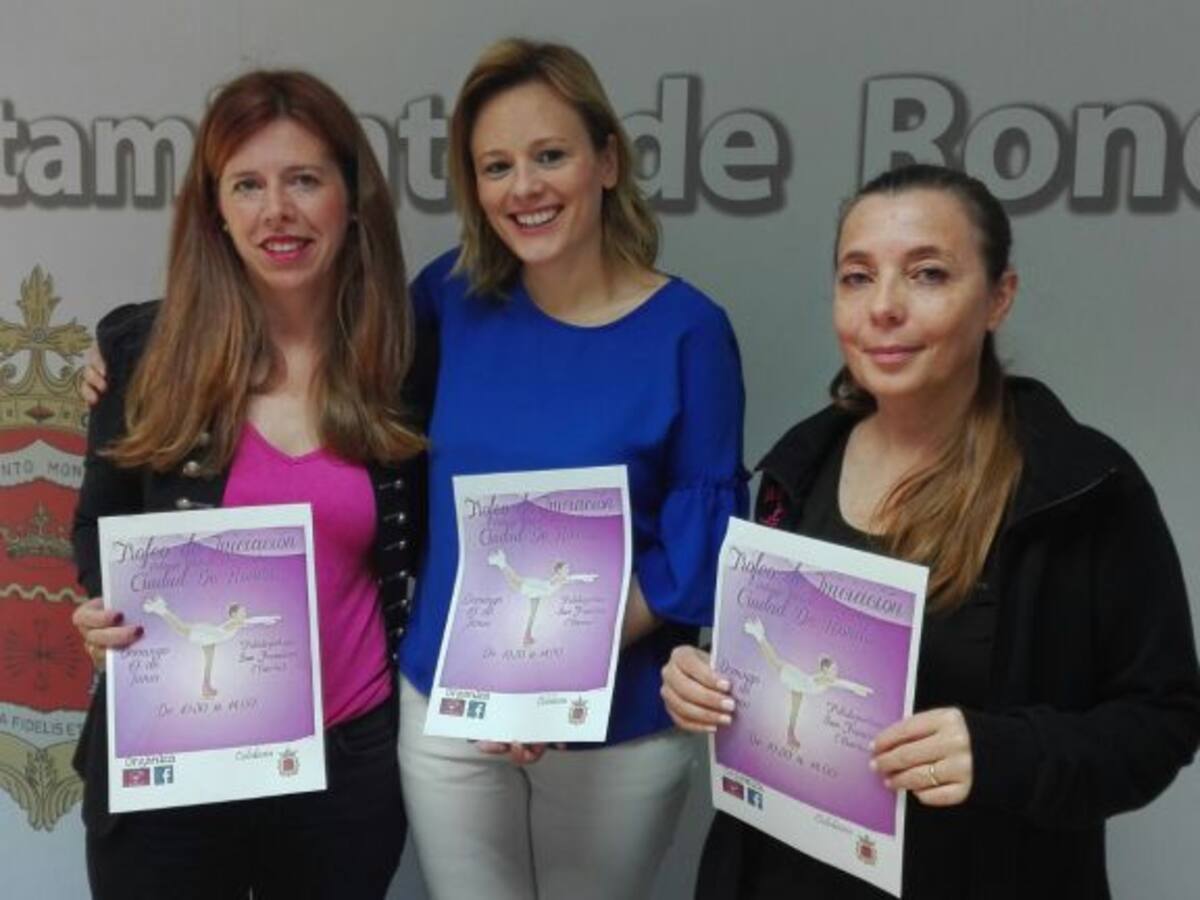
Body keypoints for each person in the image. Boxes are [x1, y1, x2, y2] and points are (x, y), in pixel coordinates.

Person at [661, 163, 1200, 898]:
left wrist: (1004, 753)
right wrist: (710, 676)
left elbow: (1163, 719)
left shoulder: (1082, 488)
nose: (884, 307)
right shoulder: (797, 467)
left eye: (928, 275)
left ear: (998, 297)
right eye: (857, 277)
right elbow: (784, 666)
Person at [395, 38, 747, 900]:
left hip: (616, 724)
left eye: (550, 155)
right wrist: (135, 348)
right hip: (449, 707)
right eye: (496, 166)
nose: (524, 187)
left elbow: (695, 551)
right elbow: (316, 363)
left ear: (607, 161)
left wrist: (542, 673)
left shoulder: (690, 333)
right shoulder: (447, 298)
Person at [70, 69, 424, 900]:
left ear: (351, 198)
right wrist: (104, 608)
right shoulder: (144, 356)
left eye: (304, 179)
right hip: (173, 762)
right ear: (215, 211)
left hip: (344, 767)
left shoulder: (406, 359)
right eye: (248, 185)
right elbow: (98, 526)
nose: (277, 211)